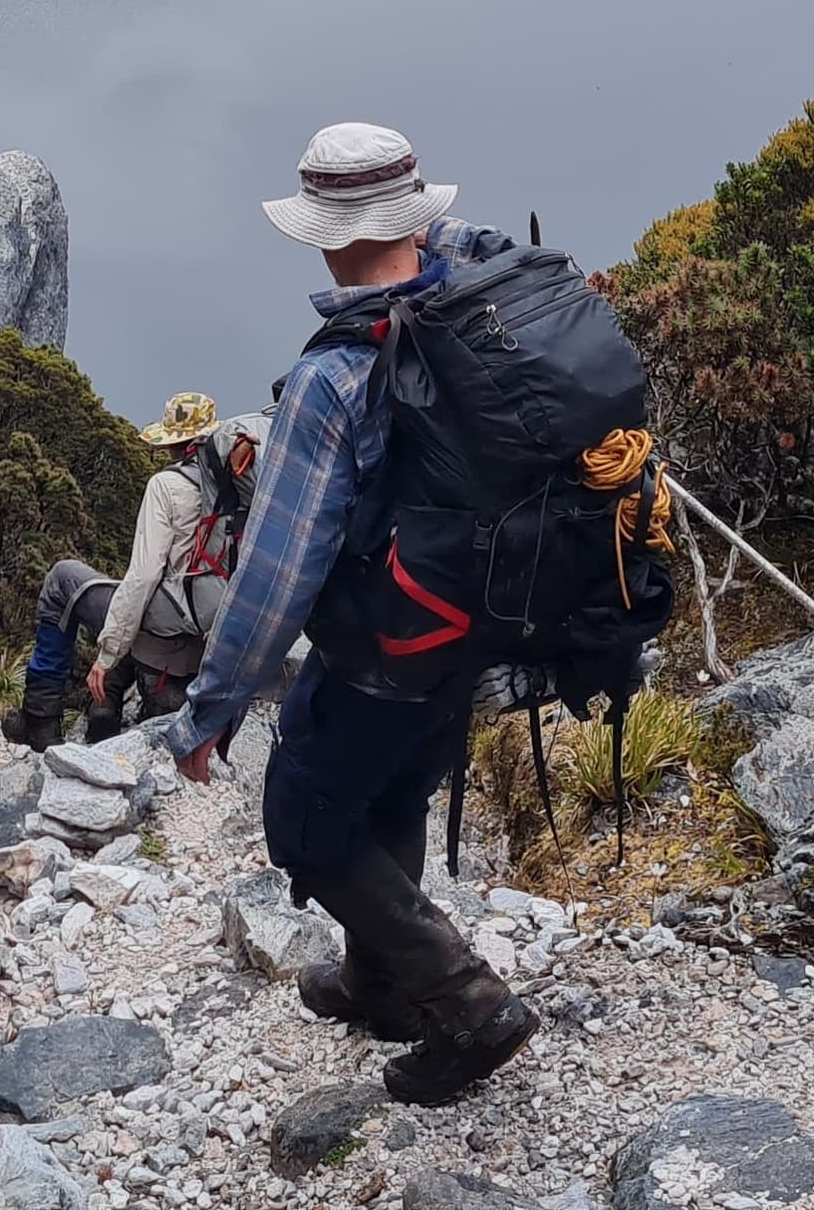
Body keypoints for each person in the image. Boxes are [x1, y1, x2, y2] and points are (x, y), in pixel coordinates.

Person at [150, 122, 542, 1109]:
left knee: (307, 825)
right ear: (414, 215)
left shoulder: (336, 375)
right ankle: (383, 988)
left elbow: (278, 574)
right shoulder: (477, 315)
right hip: (469, 639)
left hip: (376, 652)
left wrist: (211, 710)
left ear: (326, 234)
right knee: (391, 800)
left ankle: (467, 1003)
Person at [9, 393, 264, 743]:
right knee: (131, 602)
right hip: (210, 625)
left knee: (63, 580)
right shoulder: (236, 488)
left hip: (171, 621)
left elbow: (144, 576)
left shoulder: (167, 485)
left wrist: (107, 655)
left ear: (174, 441)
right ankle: (106, 706)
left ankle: (39, 721)